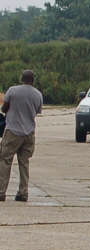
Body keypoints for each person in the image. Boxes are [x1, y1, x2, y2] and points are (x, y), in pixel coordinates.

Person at [0, 70, 43, 202]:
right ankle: (23, 192)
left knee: (5, 160)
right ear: (33, 80)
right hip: (29, 132)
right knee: (24, 163)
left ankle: (1, 192)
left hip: (12, 131)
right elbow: (37, 111)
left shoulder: (13, 91)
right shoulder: (38, 94)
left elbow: (4, 108)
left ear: (21, 78)